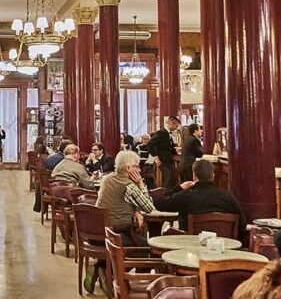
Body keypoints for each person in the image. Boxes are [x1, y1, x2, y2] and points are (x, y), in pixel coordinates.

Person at [86, 151, 156, 293]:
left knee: (139, 244)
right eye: (137, 166)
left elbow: (118, 202)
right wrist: (141, 184)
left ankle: (101, 266)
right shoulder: (129, 185)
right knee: (147, 250)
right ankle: (134, 287)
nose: (139, 170)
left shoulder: (107, 179)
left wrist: (135, 210)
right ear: (128, 168)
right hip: (117, 233)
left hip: (97, 232)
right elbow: (149, 207)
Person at [155, 159, 246, 240]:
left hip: (189, 249)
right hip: (223, 248)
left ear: (194, 177)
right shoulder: (228, 197)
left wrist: (179, 188)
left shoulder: (186, 196)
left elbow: (159, 203)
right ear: (213, 176)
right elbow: (242, 224)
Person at [149, 116, 180, 189]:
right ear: (171, 124)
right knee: (168, 176)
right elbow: (150, 144)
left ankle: (168, 193)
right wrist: (155, 157)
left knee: (171, 177)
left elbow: (170, 147)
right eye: (176, 126)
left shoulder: (169, 134)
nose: (176, 128)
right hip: (162, 159)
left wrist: (176, 152)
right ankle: (164, 194)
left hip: (167, 159)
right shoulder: (161, 133)